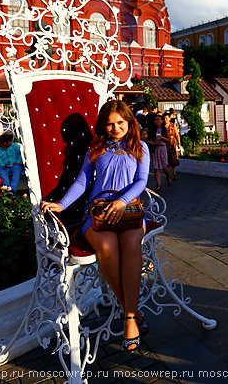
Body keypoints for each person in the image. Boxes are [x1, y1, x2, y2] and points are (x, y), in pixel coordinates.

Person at [40, 100, 150, 351]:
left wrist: (122, 202)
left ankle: (130, 316)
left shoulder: (140, 146)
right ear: (103, 125)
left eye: (120, 123)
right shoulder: (96, 148)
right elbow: (82, 181)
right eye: (110, 124)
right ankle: (132, 313)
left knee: (131, 244)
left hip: (129, 210)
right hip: (98, 213)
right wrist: (62, 204)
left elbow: (142, 180)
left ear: (129, 122)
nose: (115, 128)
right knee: (108, 249)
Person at [147, 113, 171, 190]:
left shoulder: (165, 129)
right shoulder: (153, 130)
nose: (156, 121)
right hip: (155, 148)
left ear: (162, 121)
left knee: (164, 166)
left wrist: (162, 138)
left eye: (158, 119)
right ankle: (158, 185)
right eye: (155, 120)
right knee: (156, 168)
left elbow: (169, 140)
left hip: (162, 148)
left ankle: (168, 176)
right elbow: (150, 138)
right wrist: (151, 142)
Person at [164, 113, 180, 181]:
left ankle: (174, 173)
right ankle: (168, 175)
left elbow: (176, 134)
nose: (165, 120)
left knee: (173, 159)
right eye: (164, 118)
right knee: (165, 160)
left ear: (169, 118)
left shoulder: (172, 125)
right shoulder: (162, 126)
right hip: (165, 144)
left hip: (172, 144)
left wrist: (179, 143)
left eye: (166, 118)